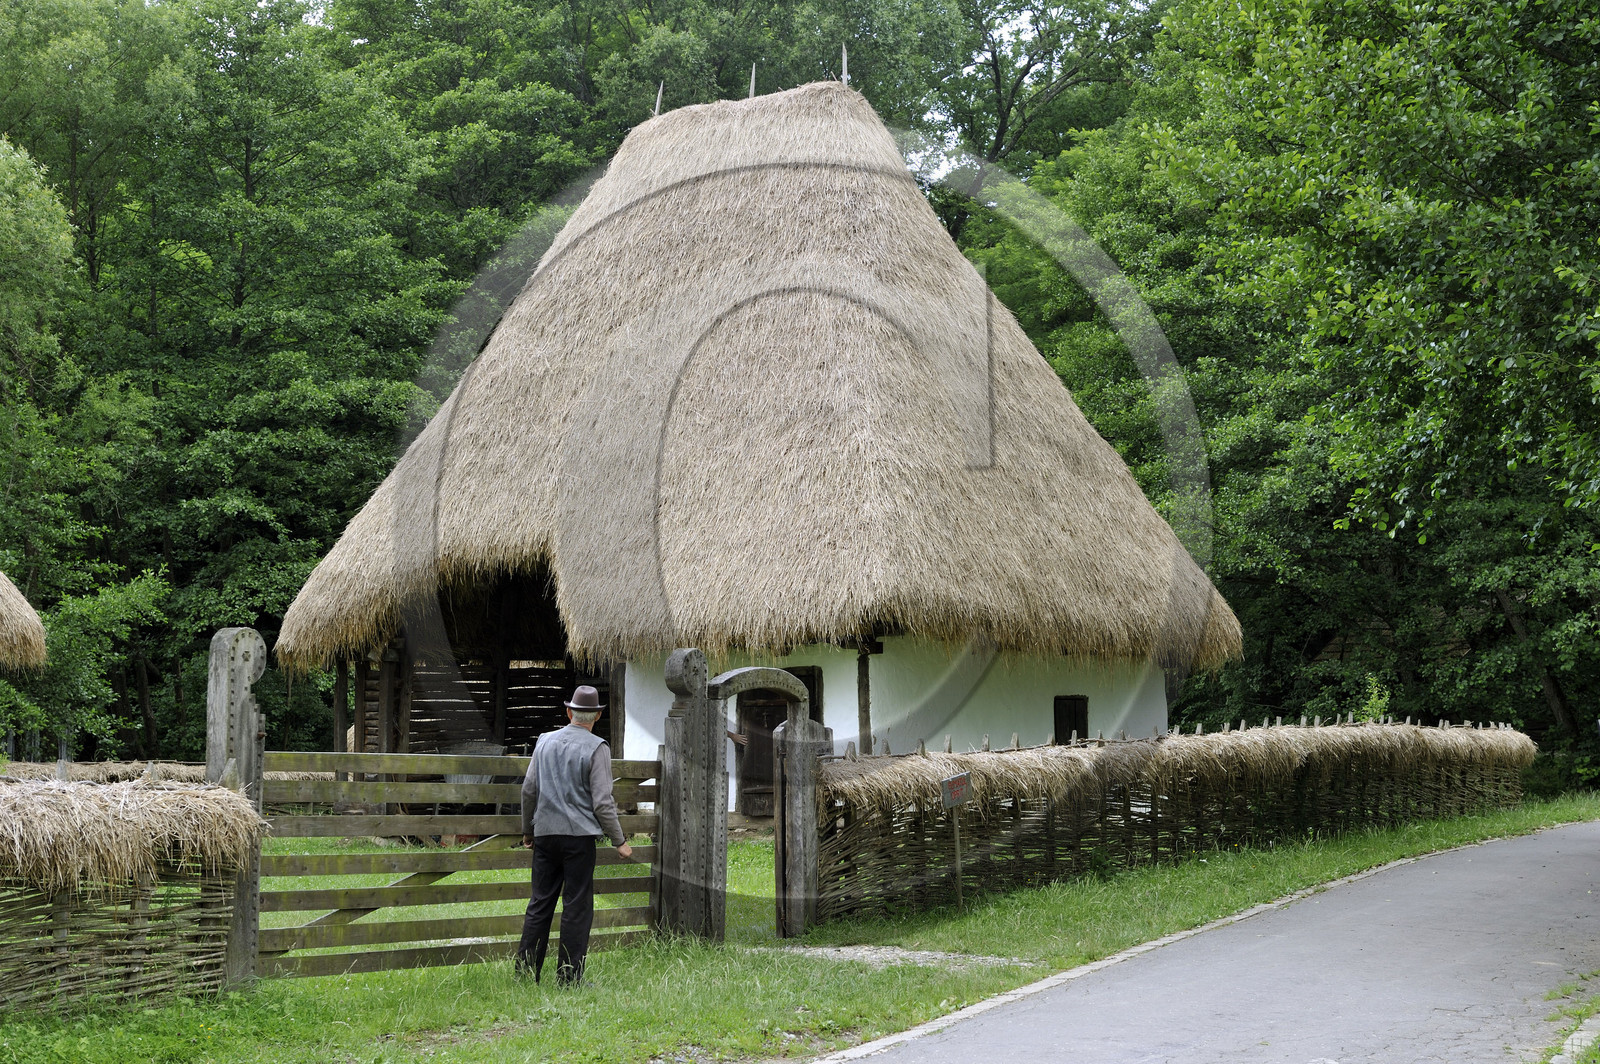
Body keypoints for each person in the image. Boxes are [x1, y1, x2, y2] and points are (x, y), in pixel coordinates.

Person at [516, 685, 633, 985]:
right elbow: (602, 802)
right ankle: (568, 978)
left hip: (545, 835)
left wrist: (528, 830)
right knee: (576, 907)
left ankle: (526, 974)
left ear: (569, 712)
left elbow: (528, 789)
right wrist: (619, 840)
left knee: (540, 903)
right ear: (596, 716)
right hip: (578, 839)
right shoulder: (598, 748)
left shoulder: (544, 742)